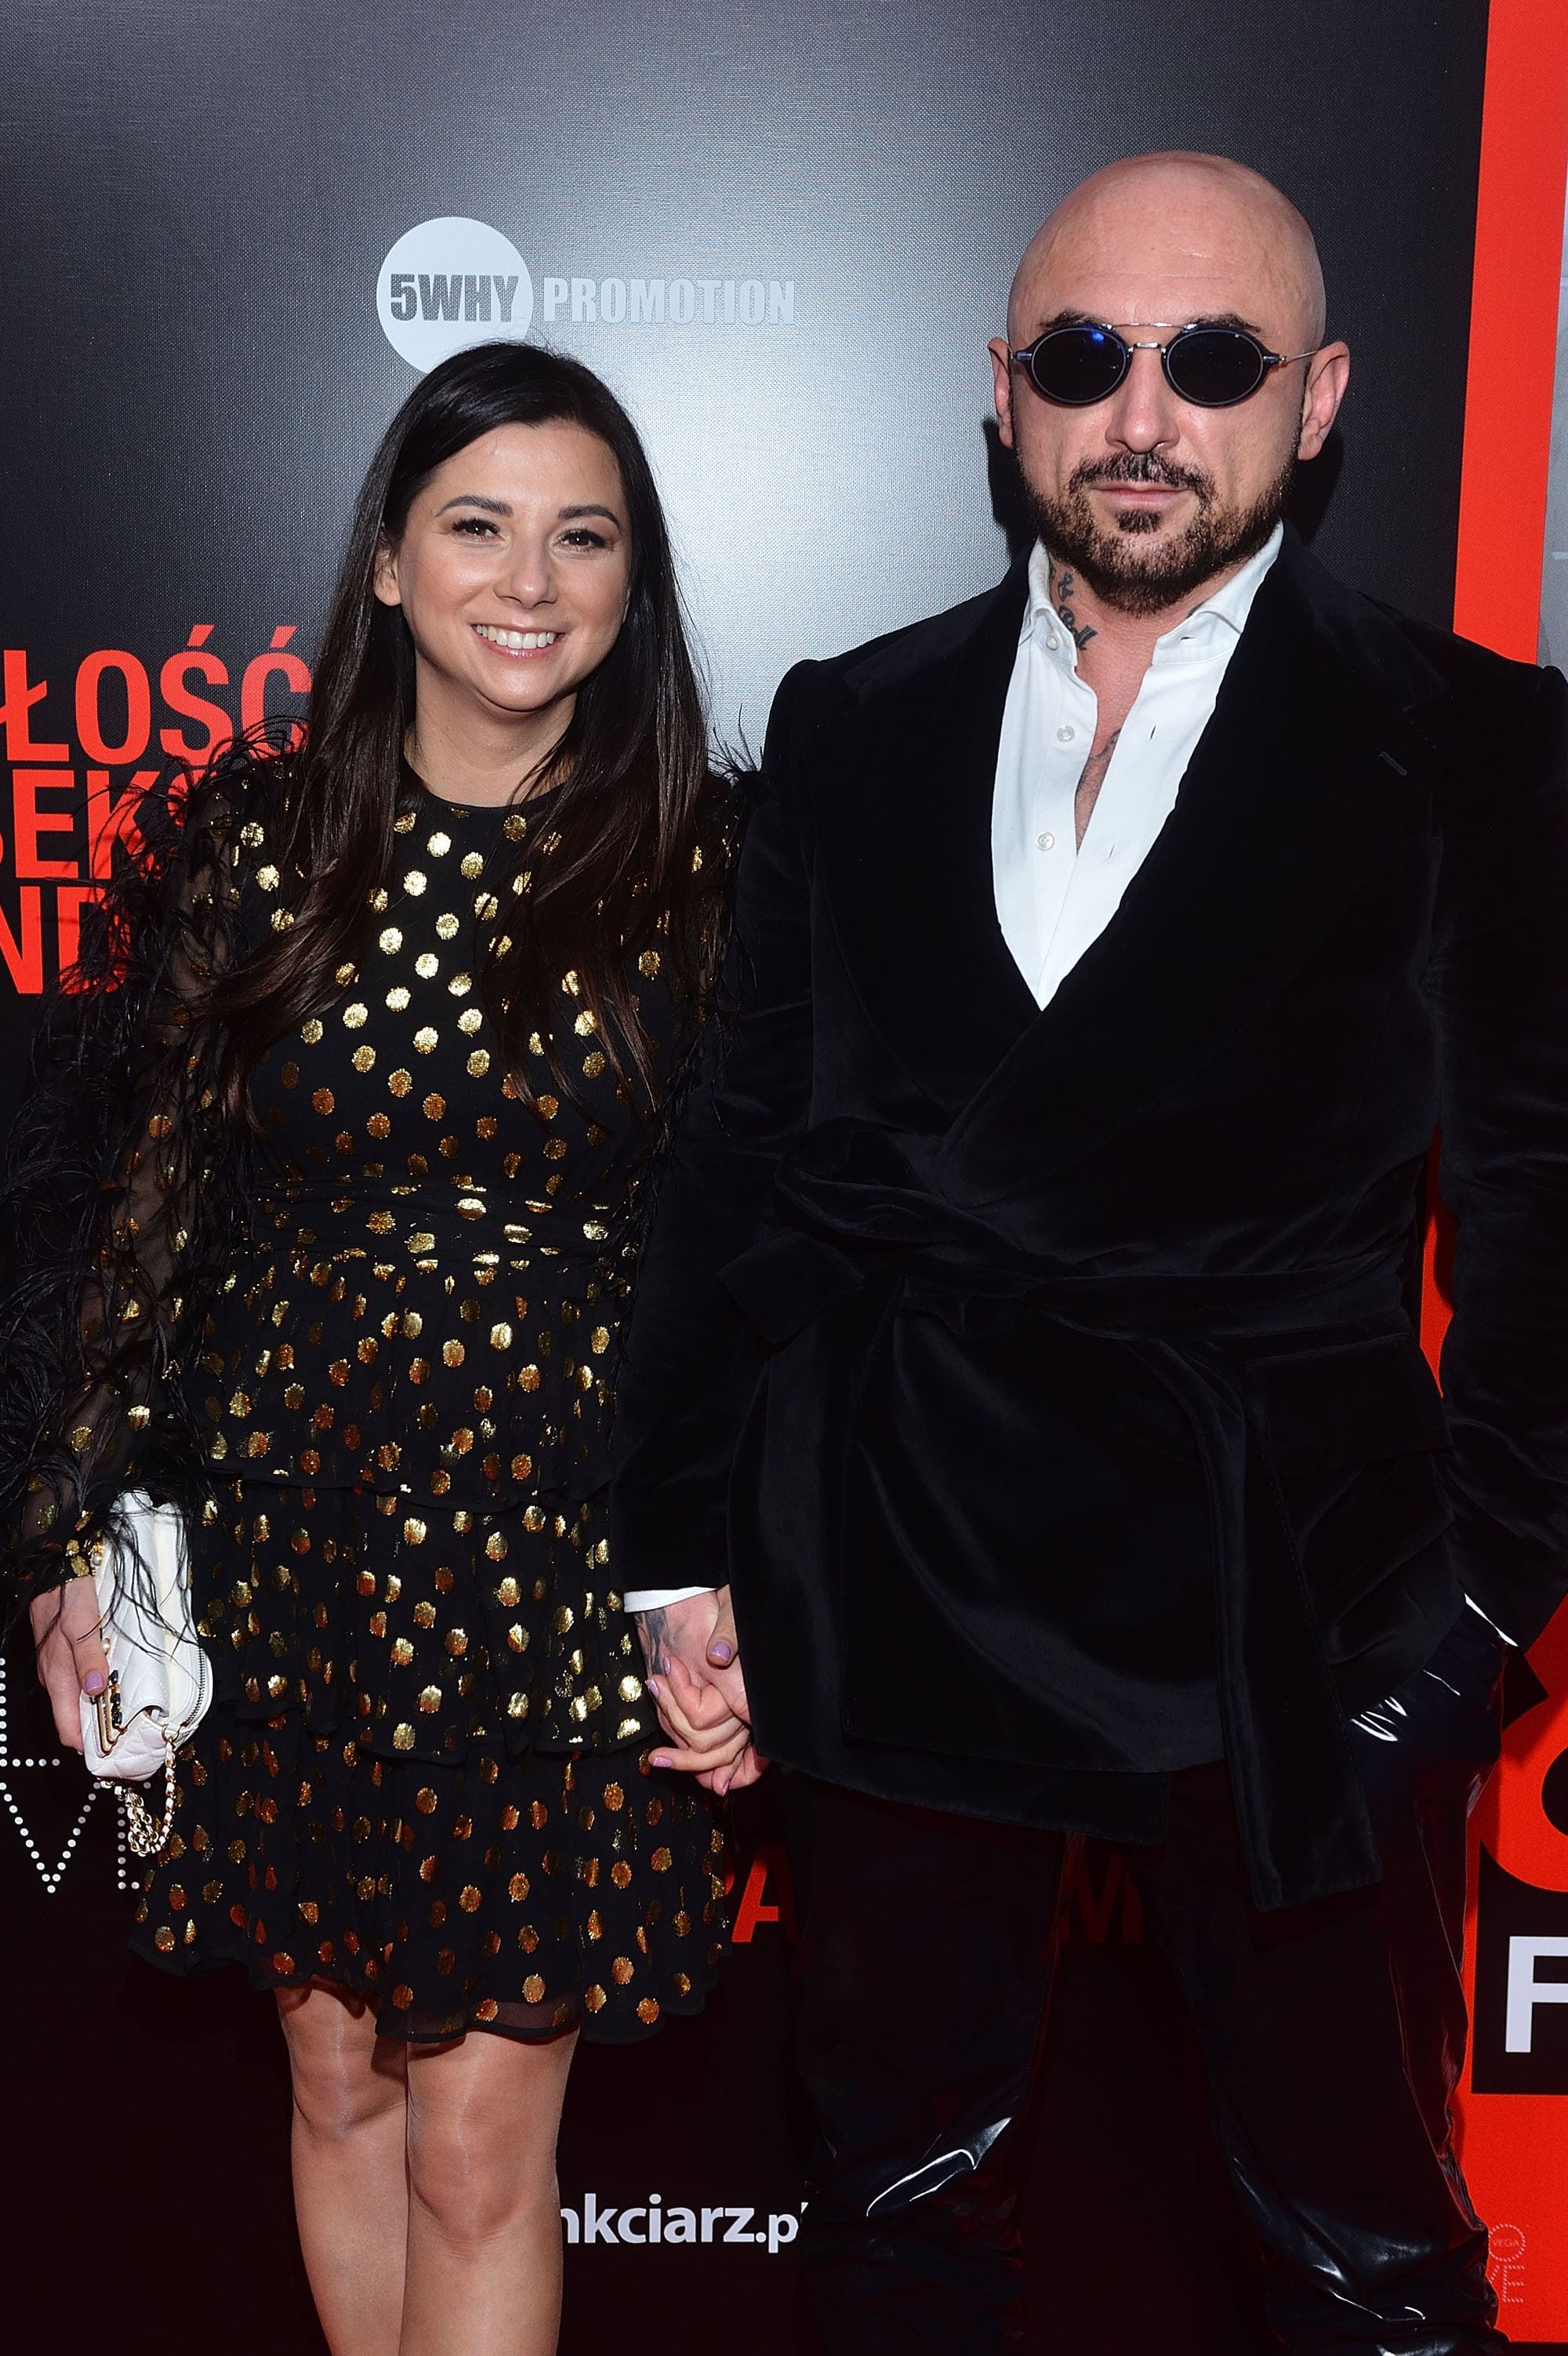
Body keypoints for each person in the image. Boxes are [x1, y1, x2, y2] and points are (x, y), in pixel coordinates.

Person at [612, 151, 1568, 2352]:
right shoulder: (853, 723)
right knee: (898, 2217)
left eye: (1213, 358)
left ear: (1319, 397)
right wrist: (676, 1547)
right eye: (1084, 354)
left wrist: (1473, 1614)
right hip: (903, 1543)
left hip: (1290, 1594)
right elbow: (744, 1163)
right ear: (1003, 391)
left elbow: (1544, 1213)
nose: (1143, 413)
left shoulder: (1471, 739)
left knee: (1364, 2255)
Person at [2, 340, 745, 2356]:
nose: (530, 580)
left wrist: (734, 1567)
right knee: (337, 2086)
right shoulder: (258, 847)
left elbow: (764, 1257)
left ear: (633, 584)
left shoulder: (707, 868)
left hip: (552, 1563)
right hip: (290, 1548)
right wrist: (70, 1535)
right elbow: (148, 1207)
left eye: (583, 535)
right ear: (393, 564)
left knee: (477, 2155)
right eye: (478, 525)